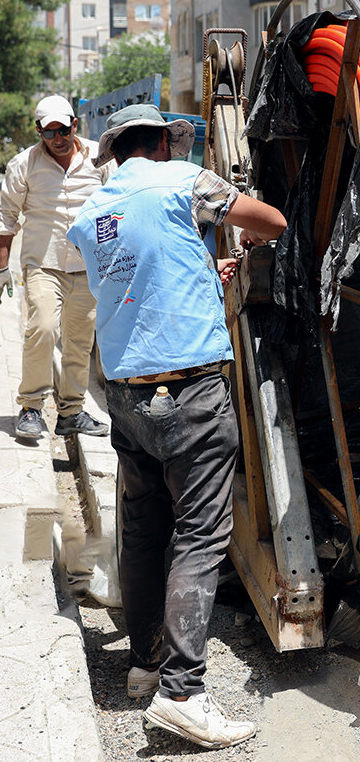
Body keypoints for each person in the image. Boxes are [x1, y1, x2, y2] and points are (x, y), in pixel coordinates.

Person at [66, 104, 287, 749]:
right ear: (164, 143)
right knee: (199, 536)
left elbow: (134, 278)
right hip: (191, 393)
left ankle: (144, 666)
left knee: (143, 528)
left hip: (129, 397)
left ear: (116, 150)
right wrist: (243, 234)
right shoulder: (185, 182)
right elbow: (269, 223)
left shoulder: (91, 214)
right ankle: (183, 693)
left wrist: (201, 272)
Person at [0, 96, 110, 440]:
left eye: (63, 130)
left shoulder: (100, 157)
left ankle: (72, 412)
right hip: (42, 263)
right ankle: (31, 407)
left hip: (88, 265)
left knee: (79, 341)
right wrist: (3, 267)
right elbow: (6, 216)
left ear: (75, 125)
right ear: (39, 132)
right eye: (49, 133)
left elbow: (120, 201)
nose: (58, 138)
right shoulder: (24, 164)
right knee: (43, 328)